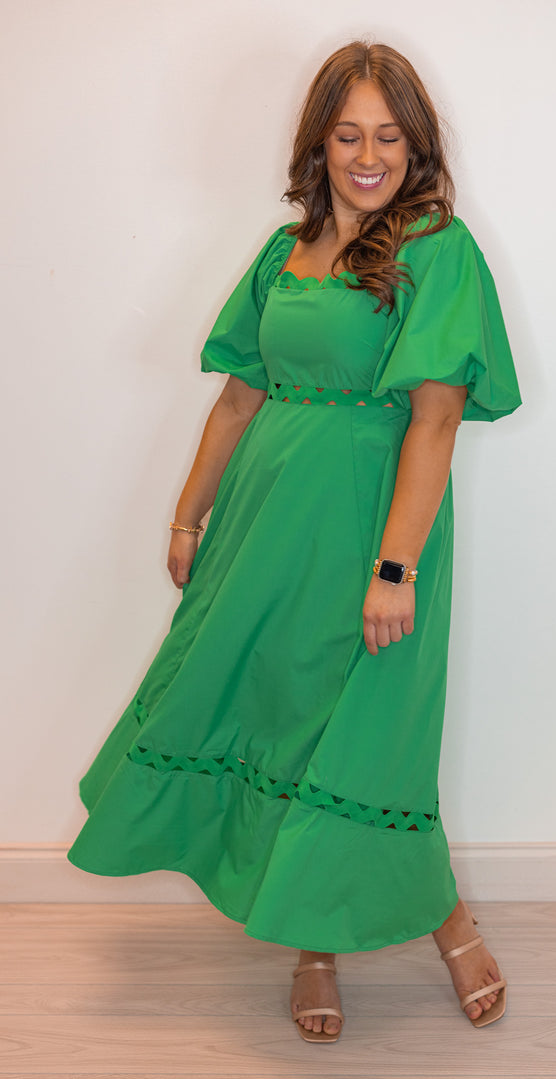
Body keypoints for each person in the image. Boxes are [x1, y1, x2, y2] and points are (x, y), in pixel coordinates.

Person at [68, 40, 521, 1043]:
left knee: (368, 735)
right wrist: (188, 514)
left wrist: (396, 567)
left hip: (371, 532)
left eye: (389, 137)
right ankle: (310, 942)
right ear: (319, 144)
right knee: (280, 719)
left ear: (417, 146)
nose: (369, 156)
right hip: (263, 529)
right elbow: (238, 397)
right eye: (349, 135)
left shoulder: (438, 249)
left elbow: (437, 418)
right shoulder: (284, 253)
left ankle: (450, 922)